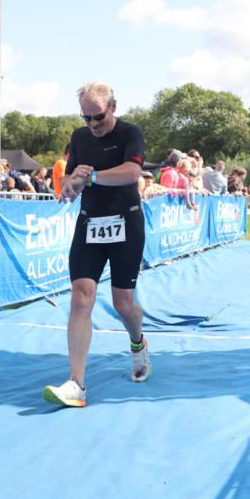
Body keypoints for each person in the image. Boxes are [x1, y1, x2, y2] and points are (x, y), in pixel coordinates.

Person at [42, 82, 150, 409]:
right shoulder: (80, 137)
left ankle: (138, 342)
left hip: (126, 223)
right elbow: (73, 178)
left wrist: (91, 177)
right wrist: (71, 186)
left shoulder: (130, 133)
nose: (92, 124)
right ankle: (77, 384)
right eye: (86, 117)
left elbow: (132, 172)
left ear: (113, 107)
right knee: (81, 295)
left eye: (98, 116)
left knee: (123, 304)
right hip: (90, 222)